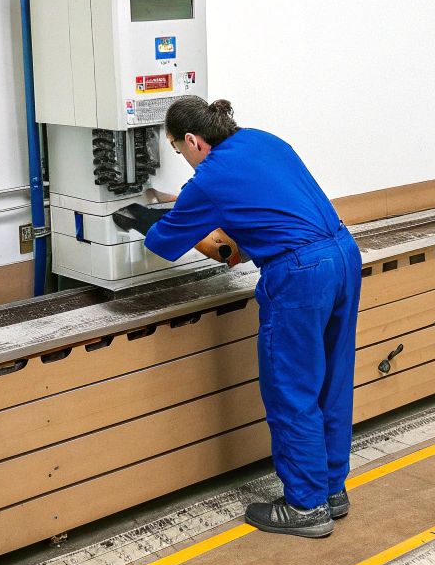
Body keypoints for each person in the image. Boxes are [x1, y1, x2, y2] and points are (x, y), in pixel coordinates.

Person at [140, 96, 361, 538]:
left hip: (299, 275)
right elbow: (256, 206)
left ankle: (305, 508)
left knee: (291, 390)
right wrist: (177, 202)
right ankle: (331, 491)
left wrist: (140, 218)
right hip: (343, 255)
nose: (183, 160)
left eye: (178, 150)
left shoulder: (210, 177)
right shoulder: (262, 140)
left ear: (191, 140)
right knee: (330, 383)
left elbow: (163, 243)